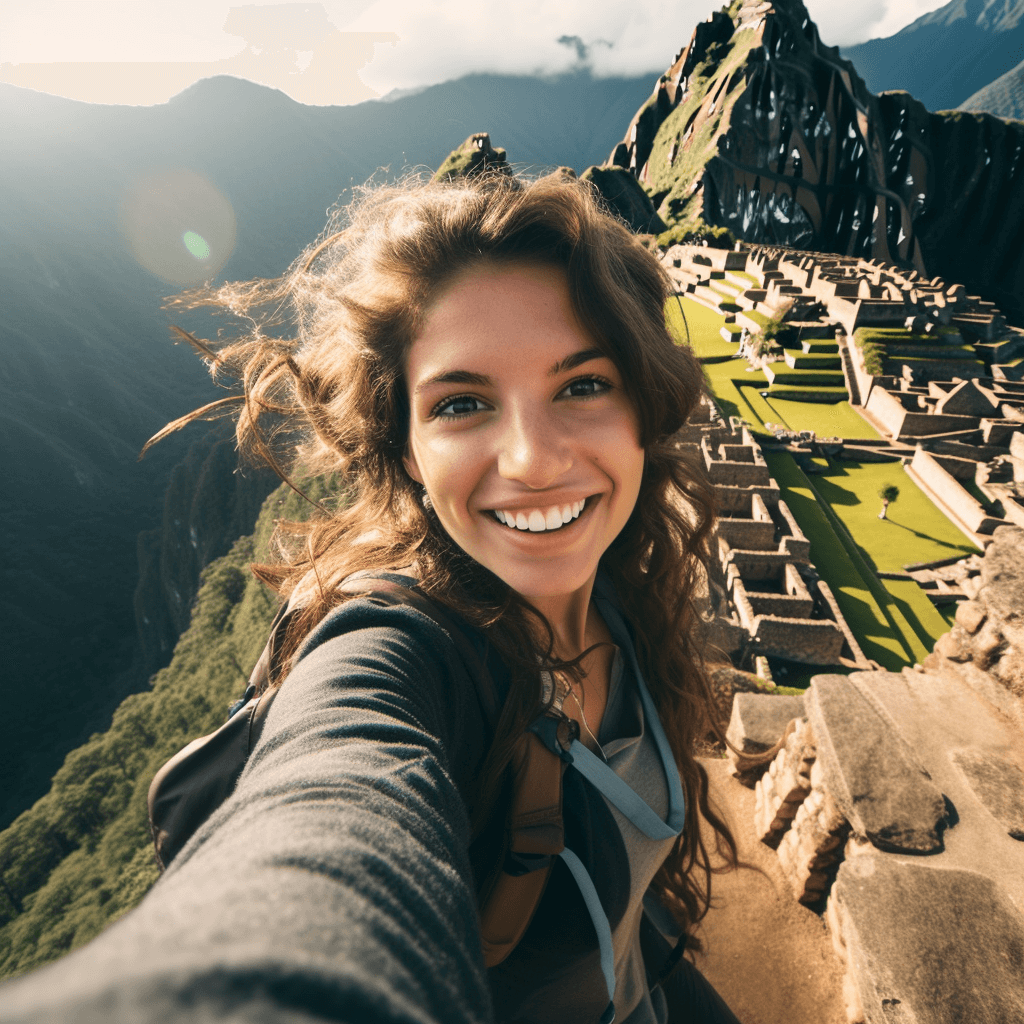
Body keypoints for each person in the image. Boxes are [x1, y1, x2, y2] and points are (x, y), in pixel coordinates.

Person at [0, 170, 742, 1022]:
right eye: (463, 404)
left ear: (642, 404)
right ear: (408, 451)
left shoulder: (621, 591)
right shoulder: (399, 646)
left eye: (581, 385)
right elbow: (331, 805)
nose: (534, 459)